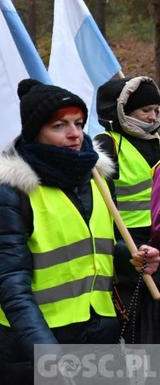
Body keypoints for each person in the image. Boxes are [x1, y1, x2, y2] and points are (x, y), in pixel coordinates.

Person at [0, 79, 160, 384]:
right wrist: (48, 356)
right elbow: (12, 286)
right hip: (33, 346)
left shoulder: (98, 181)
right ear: (35, 131)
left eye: (78, 122)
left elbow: (98, 248)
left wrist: (130, 258)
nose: (75, 133)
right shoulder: (12, 194)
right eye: (59, 125)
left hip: (97, 337)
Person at [95, 76, 160, 344]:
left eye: (157, 111)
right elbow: (101, 201)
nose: (152, 117)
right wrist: (119, 248)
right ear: (123, 111)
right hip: (128, 242)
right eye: (145, 111)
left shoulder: (158, 139)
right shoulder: (106, 143)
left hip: (157, 238)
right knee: (135, 316)